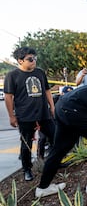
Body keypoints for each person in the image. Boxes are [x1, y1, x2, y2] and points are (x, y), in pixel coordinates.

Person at [3, 47, 56, 181]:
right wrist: (11, 116)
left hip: (43, 113)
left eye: (35, 58)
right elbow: (8, 96)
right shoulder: (12, 76)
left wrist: (52, 107)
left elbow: (47, 90)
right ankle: (27, 170)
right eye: (30, 59)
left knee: (55, 137)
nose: (34, 61)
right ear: (20, 61)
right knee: (26, 144)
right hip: (25, 115)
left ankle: (55, 162)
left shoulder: (40, 72)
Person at [37, 85, 74, 159]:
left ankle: (54, 156)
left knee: (56, 138)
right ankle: (40, 157)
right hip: (47, 120)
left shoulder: (72, 102)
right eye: (66, 94)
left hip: (58, 122)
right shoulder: (54, 99)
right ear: (62, 94)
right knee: (43, 138)